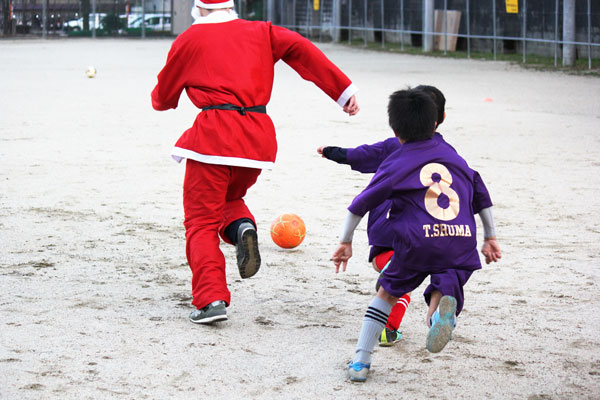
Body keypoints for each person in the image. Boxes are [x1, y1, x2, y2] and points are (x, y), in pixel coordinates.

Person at [151, 0, 359, 325]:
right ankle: (240, 227)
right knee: (229, 197)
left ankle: (210, 299)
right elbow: (302, 50)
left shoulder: (190, 39)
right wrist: (342, 91)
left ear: (199, 7)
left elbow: (163, 99)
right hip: (257, 141)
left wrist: (166, 95)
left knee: (200, 222)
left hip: (214, 138)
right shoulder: (263, 31)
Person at [331, 88, 501, 382]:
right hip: (460, 241)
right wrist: (490, 237)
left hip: (417, 243)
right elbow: (481, 193)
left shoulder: (397, 161)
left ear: (395, 131)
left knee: (386, 294)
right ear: (436, 123)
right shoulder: (454, 157)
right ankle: (438, 316)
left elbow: (360, 204)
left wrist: (346, 241)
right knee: (446, 277)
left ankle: (361, 361)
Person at [318, 85, 449, 347]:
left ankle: (389, 271)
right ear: (441, 118)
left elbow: (358, 155)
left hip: (385, 228)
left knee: (394, 272)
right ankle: (419, 319)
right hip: (424, 230)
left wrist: (331, 151)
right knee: (431, 271)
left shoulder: (392, 146)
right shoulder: (447, 153)